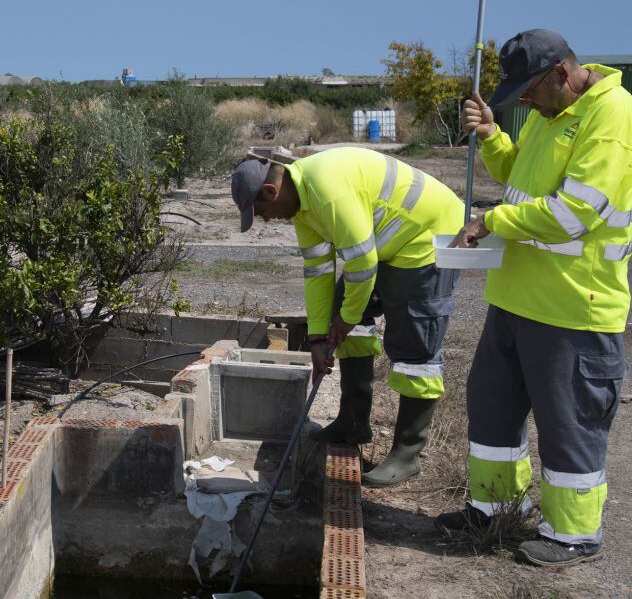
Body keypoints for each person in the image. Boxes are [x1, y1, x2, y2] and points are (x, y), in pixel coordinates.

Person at [436, 29, 632, 567]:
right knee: (492, 406)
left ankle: (573, 534)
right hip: (516, 300)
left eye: (529, 90)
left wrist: (489, 220)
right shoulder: (551, 117)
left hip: (573, 309)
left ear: (562, 75)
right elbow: (520, 179)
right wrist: (495, 137)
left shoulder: (611, 119)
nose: (523, 100)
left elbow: (574, 213)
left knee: (568, 425)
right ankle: (495, 508)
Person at [231, 146, 463, 486]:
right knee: (343, 301)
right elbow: (317, 272)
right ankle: (353, 421)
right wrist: (318, 337)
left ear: (270, 190)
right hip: (389, 242)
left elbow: (363, 264)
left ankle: (407, 453)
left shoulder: (327, 191)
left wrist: (346, 319)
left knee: (415, 343)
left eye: (261, 212)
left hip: (427, 236)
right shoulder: (303, 207)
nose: (268, 219)